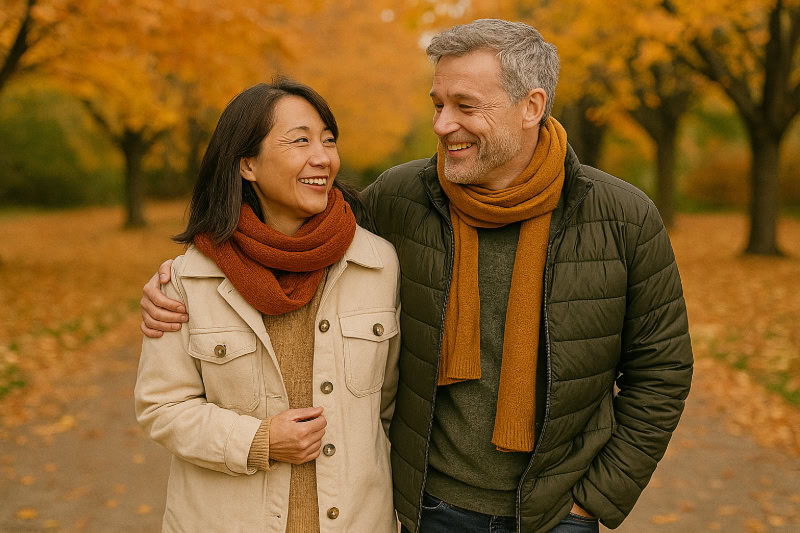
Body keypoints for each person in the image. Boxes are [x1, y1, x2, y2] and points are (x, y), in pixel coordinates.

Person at [141, 19, 693, 533]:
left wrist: (594, 499)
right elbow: (300, 240)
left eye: (465, 106)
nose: (442, 124)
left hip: (558, 515)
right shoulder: (401, 199)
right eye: (438, 104)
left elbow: (662, 371)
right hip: (431, 510)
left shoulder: (622, 217)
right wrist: (180, 279)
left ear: (531, 106)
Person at [134, 78, 401, 533]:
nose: (323, 157)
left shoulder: (378, 264)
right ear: (248, 165)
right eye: (300, 141)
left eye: (328, 140)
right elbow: (162, 407)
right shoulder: (189, 279)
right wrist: (259, 440)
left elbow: (392, 409)